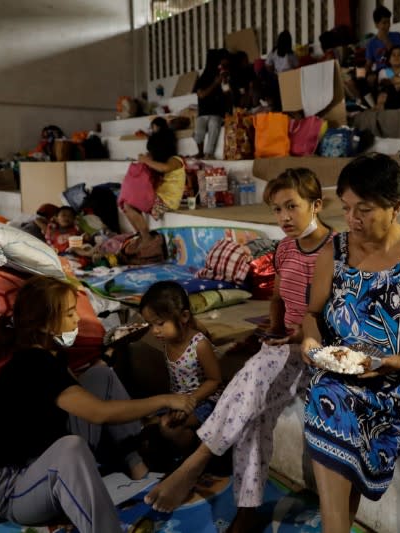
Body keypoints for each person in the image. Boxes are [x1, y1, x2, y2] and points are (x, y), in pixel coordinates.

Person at [143, 169, 335, 532]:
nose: (284, 218)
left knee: (252, 376)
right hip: (285, 346)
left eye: (292, 207)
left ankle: (197, 462)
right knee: (253, 408)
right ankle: (247, 509)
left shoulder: (335, 251)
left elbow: (335, 317)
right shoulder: (285, 249)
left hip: (318, 349)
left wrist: (295, 338)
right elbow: (277, 298)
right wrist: (275, 330)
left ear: (317, 205)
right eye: (277, 210)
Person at [300, 153, 400, 532]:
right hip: (342, 370)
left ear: (396, 207)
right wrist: (310, 340)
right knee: (330, 393)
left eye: (366, 209)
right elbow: (312, 312)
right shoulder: (335, 251)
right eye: (346, 208)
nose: (353, 219)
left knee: (331, 403)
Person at [0, 276, 196, 533]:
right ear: (46, 324)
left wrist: (112, 350)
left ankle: (139, 471)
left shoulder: (50, 353)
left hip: (44, 458)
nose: (77, 319)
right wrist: (165, 399)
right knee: (71, 448)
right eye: (70, 313)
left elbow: (79, 390)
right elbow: (98, 413)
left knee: (100, 375)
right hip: (17, 487)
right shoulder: (31, 364)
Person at [139, 281, 223, 453]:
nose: (154, 331)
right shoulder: (168, 339)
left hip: (204, 401)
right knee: (143, 419)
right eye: (150, 325)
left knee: (167, 426)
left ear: (184, 317)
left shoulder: (199, 345)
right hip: (178, 400)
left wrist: (190, 402)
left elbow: (215, 381)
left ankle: (194, 453)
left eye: (159, 323)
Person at [122, 117, 185, 247]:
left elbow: (164, 168)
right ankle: (140, 234)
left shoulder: (176, 160)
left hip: (167, 202)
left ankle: (146, 238)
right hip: (159, 199)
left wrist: (146, 160)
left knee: (130, 205)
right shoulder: (161, 161)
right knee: (126, 204)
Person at [193, 49, 233, 158]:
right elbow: (201, 95)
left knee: (214, 125)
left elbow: (227, 94)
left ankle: (209, 153)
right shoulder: (203, 78)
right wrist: (215, 83)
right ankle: (200, 152)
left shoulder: (222, 76)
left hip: (217, 112)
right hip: (203, 112)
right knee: (198, 130)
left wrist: (225, 82)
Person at [375, 46, 400, 111]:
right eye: (393, 55)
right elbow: (384, 82)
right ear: (389, 59)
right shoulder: (384, 71)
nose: (396, 57)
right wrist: (399, 82)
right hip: (387, 107)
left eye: (399, 55)